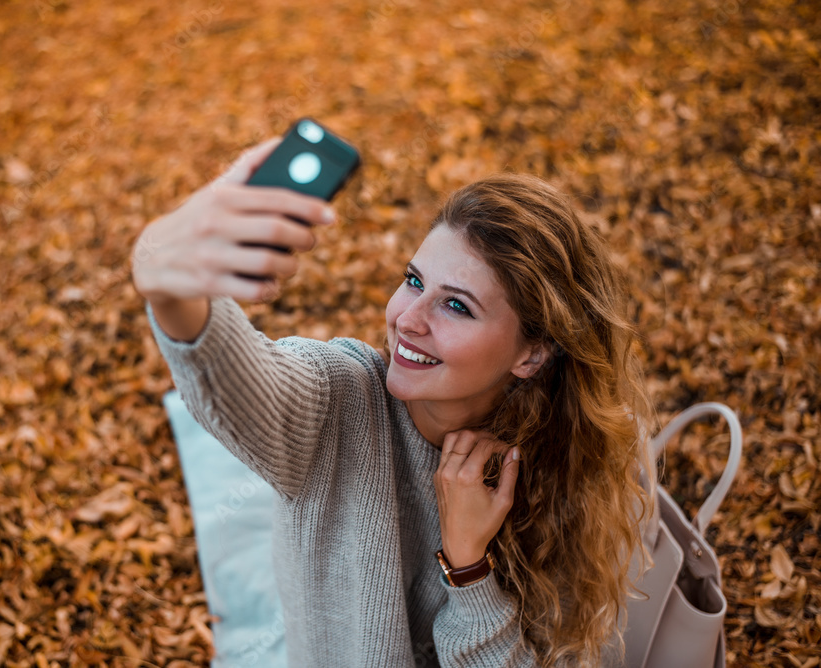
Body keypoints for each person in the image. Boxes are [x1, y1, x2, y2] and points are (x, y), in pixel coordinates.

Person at [131, 136, 657, 667]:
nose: (408, 318)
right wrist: (169, 277)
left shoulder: (560, 463)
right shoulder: (340, 400)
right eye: (413, 281)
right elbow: (233, 373)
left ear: (532, 356)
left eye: (455, 305)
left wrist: (468, 566)